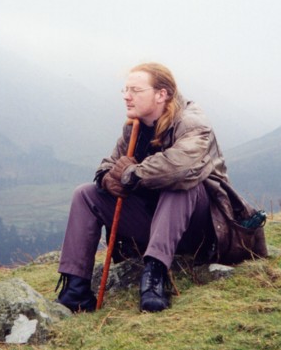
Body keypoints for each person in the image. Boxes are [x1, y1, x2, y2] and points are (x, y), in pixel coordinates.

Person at [55, 62, 234, 313]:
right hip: (155, 222)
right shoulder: (135, 126)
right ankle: (76, 288)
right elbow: (111, 163)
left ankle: (154, 279)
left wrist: (131, 175)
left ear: (162, 94)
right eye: (125, 90)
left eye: (136, 90)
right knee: (86, 194)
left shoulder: (192, 122)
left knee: (180, 184)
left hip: (200, 228)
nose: (127, 96)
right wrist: (108, 178)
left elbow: (180, 167)